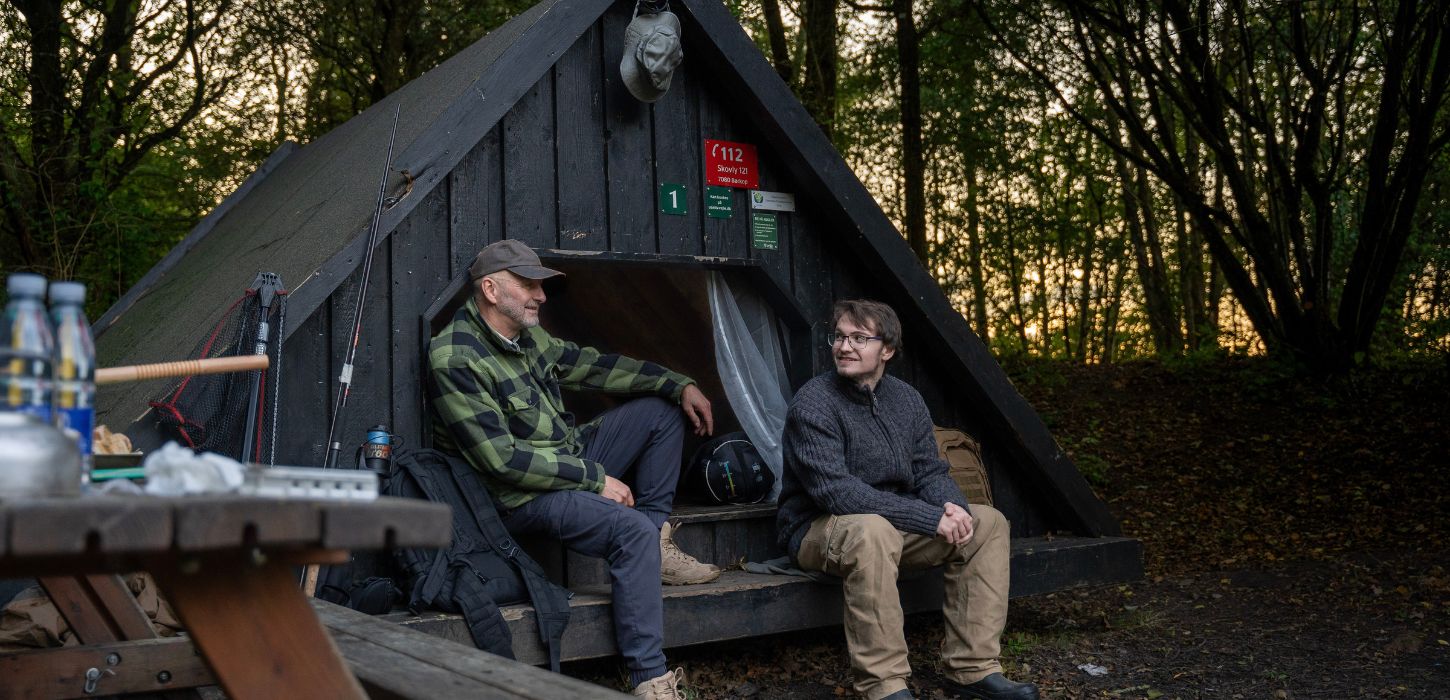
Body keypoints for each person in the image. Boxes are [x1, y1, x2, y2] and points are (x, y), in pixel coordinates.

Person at [428, 239, 720, 699]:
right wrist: (595, 479)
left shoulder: (529, 337)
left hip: (567, 460)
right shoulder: (455, 356)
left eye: (541, 285)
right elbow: (500, 461)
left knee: (661, 413)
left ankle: (655, 536)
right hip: (518, 498)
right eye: (527, 284)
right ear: (489, 288)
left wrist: (676, 382)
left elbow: (590, 366)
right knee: (629, 532)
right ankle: (651, 679)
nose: (540, 295)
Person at [775, 300, 1039, 700]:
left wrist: (954, 510)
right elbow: (837, 492)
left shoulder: (907, 399)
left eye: (859, 338)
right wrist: (929, 519)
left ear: (887, 350)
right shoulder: (813, 402)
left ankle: (973, 668)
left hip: (889, 523)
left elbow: (929, 472)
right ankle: (884, 685)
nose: (844, 347)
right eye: (840, 337)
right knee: (872, 530)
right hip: (818, 527)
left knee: (987, 524)